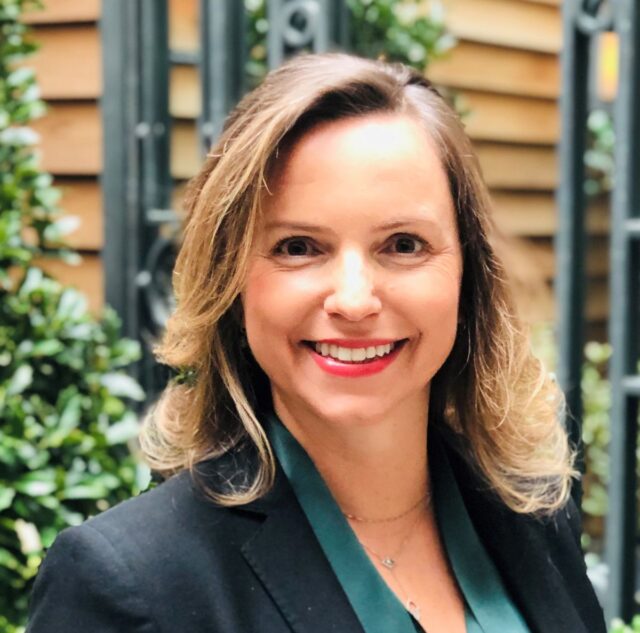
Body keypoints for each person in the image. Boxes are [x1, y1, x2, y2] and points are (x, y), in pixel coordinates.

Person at [27, 53, 606, 633]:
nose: (353, 301)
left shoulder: (533, 511)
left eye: (403, 244)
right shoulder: (125, 585)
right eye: (298, 247)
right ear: (231, 283)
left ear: (468, 276)